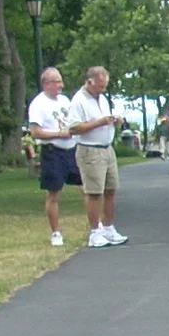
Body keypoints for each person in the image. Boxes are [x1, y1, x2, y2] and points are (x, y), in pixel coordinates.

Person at [59, 65, 130, 248]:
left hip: (107, 148)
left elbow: (105, 118)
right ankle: (95, 231)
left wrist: (115, 120)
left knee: (110, 189)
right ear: (89, 82)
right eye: (99, 86)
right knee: (94, 192)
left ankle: (109, 227)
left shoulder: (102, 99)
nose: (102, 90)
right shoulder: (78, 101)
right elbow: (73, 128)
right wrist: (98, 123)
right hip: (90, 149)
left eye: (104, 86)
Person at [24, 67, 78, 247]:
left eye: (61, 81)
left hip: (72, 150)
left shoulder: (64, 100)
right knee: (54, 192)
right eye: (56, 82)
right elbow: (35, 132)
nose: (60, 85)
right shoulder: (38, 104)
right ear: (46, 84)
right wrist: (59, 134)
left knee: (88, 187)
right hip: (53, 151)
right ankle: (56, 233)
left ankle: (97, 226)